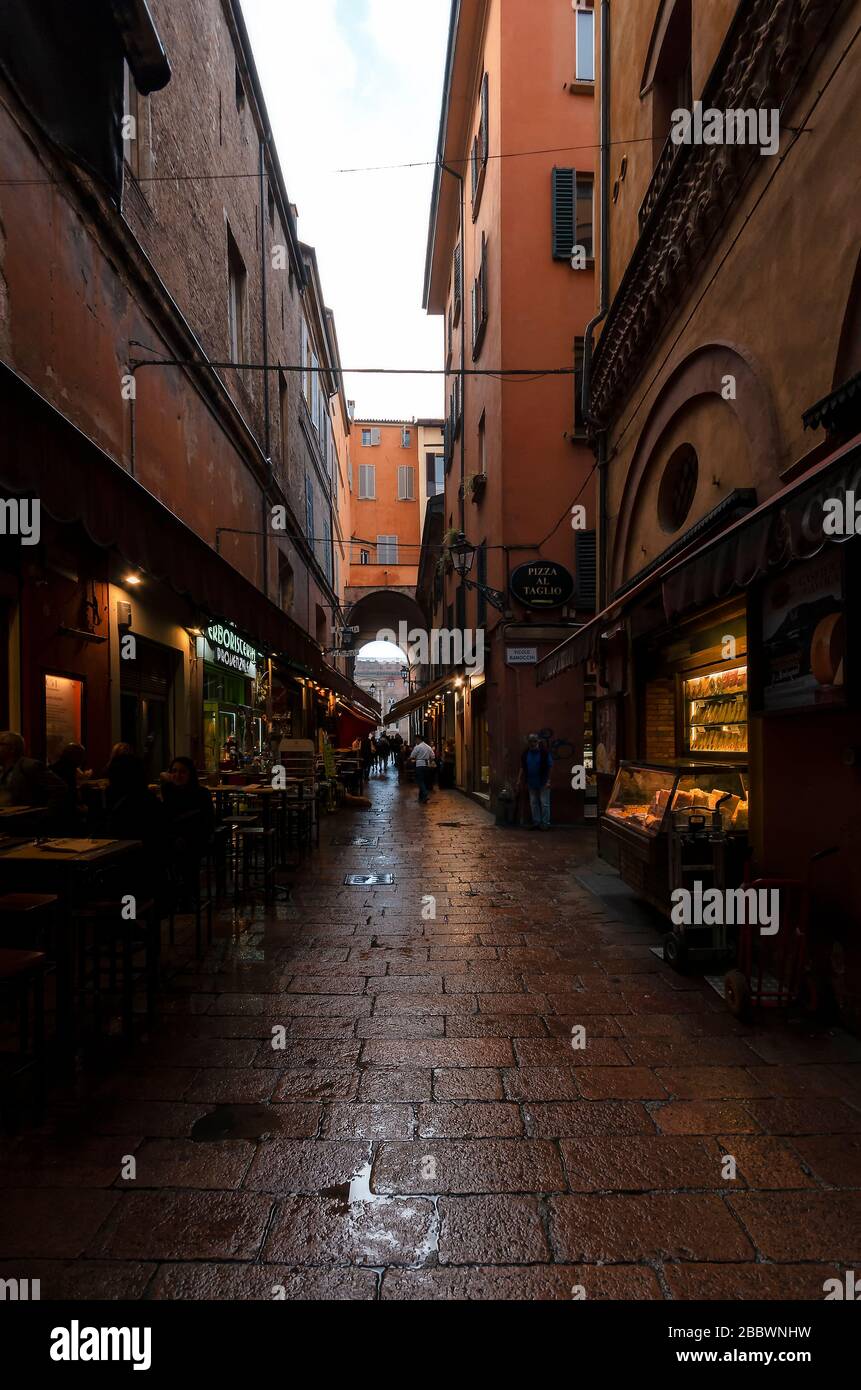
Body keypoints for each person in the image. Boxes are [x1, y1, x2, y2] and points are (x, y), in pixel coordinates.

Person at [160, 757, 215, 905]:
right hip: (173, 840)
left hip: (195, 840)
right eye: (174, 771)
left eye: (182, 772)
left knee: (186, 855)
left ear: (190, 774)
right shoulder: (167, 792)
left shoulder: (201, 794)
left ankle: (187, 895)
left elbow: (207, 824)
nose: (177, 775)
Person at [0, 730, 67, 820]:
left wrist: (45, 816)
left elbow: (59, 789)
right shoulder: (2, 769)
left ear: (12, 748)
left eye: (1, 744)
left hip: (24, 822)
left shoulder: (30, 766)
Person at [49, 741, 90, 830]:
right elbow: (69, 795)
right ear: (75, 756)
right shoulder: (68, 770)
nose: (83, 759)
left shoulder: (55, 767)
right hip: (64, 815)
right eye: (82, 756)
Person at [519, 732, 553, 830]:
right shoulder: (525, 753)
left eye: (534, 741)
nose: (532, 743)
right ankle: (536, 822)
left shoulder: (544, 753)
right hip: (531, 781)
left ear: (538, 741)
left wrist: (548, 780)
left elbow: (550, 766)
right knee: (533, 803)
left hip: (543, 781)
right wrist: (519, 779)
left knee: (544, 803)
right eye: (530, 741)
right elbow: (522, 767)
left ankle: (545, 823)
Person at [408, 734, 436, 804]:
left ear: (418, 739)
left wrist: (411, 759)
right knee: (424, 781)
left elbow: (412, 756)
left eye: (415, 740)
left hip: (419, 765)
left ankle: (425, 794)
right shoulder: (428, 747)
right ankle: (421, 797)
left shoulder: (417, 747)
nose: (415, 741)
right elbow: (433, 756)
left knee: (420, 781)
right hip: (426, 765)